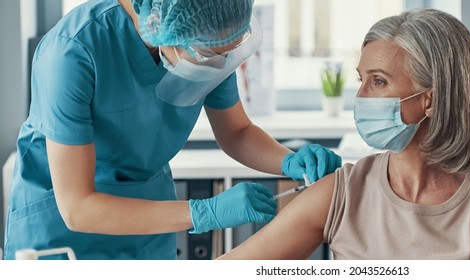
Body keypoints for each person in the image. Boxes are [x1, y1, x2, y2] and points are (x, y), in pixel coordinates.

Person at [3, 0, 341, 260]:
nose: (221, 64)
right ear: (158, 23)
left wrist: (289, 161)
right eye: (212, 54)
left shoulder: (209, 35)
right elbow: (78, 207)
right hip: (62, 231)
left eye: (229, 51)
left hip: (150, 224)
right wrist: (206, 212)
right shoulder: (72, 52)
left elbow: (236, 132)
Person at [219, 8, 470, 260]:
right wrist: (200, 214)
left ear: (431, 99)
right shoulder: (343, 192)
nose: (361, 96)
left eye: (378, 81)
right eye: (361, 79)